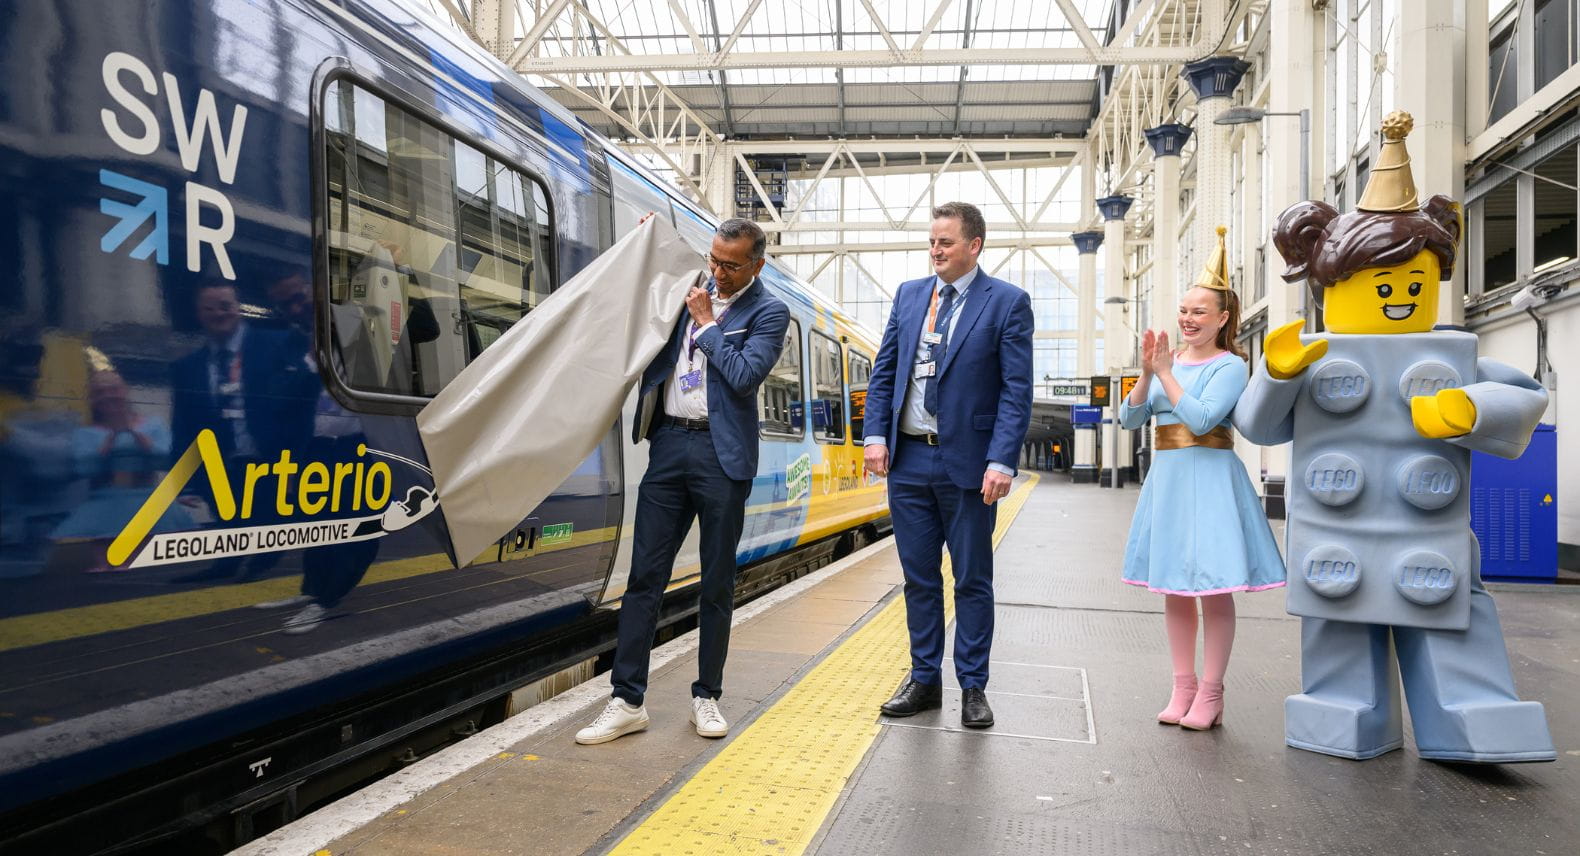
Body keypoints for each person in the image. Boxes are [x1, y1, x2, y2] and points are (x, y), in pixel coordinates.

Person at [1237, 112, 1555, 763]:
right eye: (1384, 284)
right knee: (1340, 625)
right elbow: (1257, 425)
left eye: (1416, 284)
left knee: (1451, 620)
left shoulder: (1451, 355)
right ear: (1335, 284)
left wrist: (1467, 408)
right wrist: (1276, 373)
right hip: (1336, 533)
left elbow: (1524, 396)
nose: (1403, 296)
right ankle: (1344, 714)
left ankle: (1473, 718)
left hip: (1429, 530)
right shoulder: (1311, 354)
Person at [576, 218, 790, 745]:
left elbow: (743, 377)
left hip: (722, 456)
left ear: (756, 265)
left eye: (730, 265)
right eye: (713, 259)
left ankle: (707, 697)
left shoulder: (769, 312)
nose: (716, 272)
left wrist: (708, 326)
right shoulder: (687, 289)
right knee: (644, 578)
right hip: (669, 445)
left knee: (716, 582)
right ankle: (626, 700)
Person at [862, 201, 1034, 729]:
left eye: (946, 243)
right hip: (909, 458)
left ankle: (974, 686)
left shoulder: (1006, 303)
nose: (935, 251)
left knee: (972, 580)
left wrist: (1002, 459)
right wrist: (874, 434)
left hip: (968, 463)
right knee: (918, 579)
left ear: (974, 246)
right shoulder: (911, 296)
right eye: (932, 242)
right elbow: (885, 369)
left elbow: (1015, 390)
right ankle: (923, 680)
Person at [1119, 226, 1286, 731]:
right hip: (1168, 480)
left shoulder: (1231, 366)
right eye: (1184, 310)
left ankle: (1211, 694)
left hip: (1212, 480)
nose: (1188, 319)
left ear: (1222, 318)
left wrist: (1167, 373)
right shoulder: (1169, 363)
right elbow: (1129, 421)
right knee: (1173, 589)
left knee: (1214, 590)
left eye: (1199, 312)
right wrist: (1147, 374)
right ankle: (1182, 687)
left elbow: (1201, 420)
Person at [168, 281, 309, 583]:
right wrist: (182, 480)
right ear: (199, 315)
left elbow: (306, 401)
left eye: (225, 305)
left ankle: (259, 566)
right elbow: (183, 424)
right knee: (228, 520)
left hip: (272, 458)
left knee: (268, 523)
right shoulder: (187, 367)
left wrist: (302, 455)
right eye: (210, 308)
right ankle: (227, 566)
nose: (220, 314)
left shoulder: (281, 343)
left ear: (239, 308)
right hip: (221, 464)